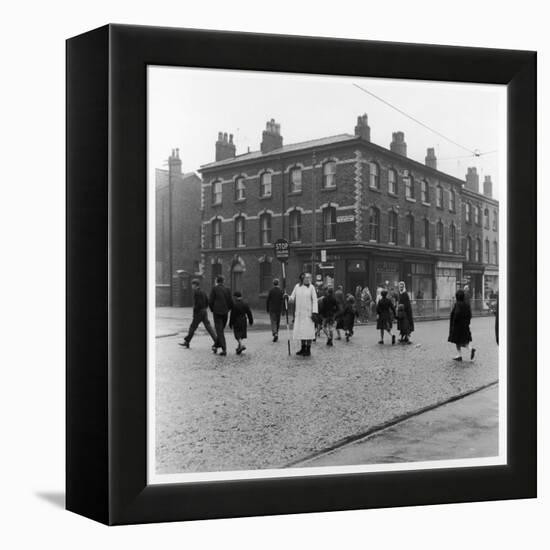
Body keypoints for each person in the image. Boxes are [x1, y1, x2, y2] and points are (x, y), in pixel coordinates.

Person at [179, 279, 218, 349]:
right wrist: (204, 308)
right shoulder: (203, 291)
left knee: (192, 327)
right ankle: (217, 341)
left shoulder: (196, 292)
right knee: (209, 327)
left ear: (195, 285)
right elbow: (207, 301)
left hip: (198, 313)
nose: (191, 286)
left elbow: (198, 304)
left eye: (192, 285)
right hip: (204, 311)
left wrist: (195, 309)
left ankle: (186, 342)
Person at [289, 272, 318, 356]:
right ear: (302, 279)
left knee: (308, 332)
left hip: (308, 314)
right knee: (301, 331)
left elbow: (315, 300)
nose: (308, 279)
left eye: (309, 278)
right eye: (306, 278)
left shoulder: (311, 288)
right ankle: (303, 348)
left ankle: (308, 349)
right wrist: (287, 297)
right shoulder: (297, 287)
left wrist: (314, 312)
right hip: (299, 314)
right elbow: (292, 298)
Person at [208, 275, 233, 356]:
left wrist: (212, 309)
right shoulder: (227, 290)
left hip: (217, 313)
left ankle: (224, 349)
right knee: (220, 330)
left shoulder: (214, 289)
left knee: (220, 331)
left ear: (216, 281)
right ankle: (215, 345)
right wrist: (228, 309)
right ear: (223, 281)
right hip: (225, 312)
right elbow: (230, 302)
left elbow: (210, 301)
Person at [448, 289, 476, 361]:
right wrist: (467, 323)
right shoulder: (466, 305)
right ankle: (471, 349)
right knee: (465, 341)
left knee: (457, 341)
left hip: (458, 327)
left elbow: (456, 314)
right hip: (465, 326)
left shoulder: (457, 304)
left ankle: (459, 355)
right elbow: (470, 315)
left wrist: (453, 325)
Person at [266, 278, 284, 342]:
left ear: (273, 283)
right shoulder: (281, 291)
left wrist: (267, 308)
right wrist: (283, 310)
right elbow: (283, 301)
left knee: (273, 321)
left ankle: (275, 333)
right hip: (278, 309)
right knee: (278, 322)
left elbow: (268, 300)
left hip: (272, 309)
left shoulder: (271, 290)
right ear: (278, 283)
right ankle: (277, 333)